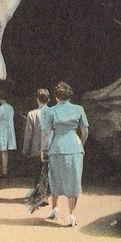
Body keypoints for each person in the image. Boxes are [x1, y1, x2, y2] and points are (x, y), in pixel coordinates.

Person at [40, 81, 89, 227]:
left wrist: (43, 150)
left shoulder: (49, 111)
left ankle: (54, 208)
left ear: (56, 97)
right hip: (74, 146)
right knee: (73, 180)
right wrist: (80, 144)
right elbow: (85, 131)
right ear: (69, 95)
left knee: (55, 177)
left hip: (56, 147)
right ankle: (72, 215)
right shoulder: (79, 109)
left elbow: (47, 133)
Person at [22, 88, 50, 186]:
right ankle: (47, 195)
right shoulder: (53, 113)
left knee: (38, 173)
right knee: (49, 172)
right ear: (49, 100)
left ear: (37, 100)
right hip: (50, 147)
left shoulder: (32, 114)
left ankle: (38, 195)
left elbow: (28, 134)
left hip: (36, 148)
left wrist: (26, 149)